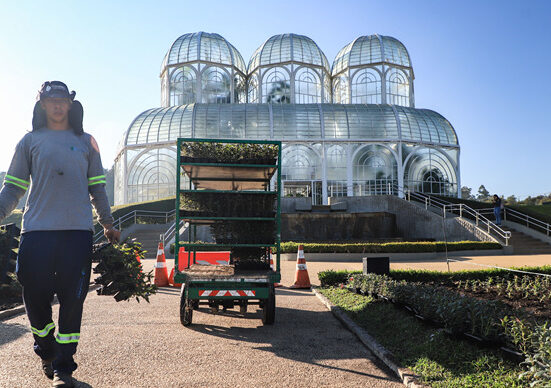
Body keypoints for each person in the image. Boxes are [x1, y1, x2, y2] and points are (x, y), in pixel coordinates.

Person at [0, 81, 120, 387]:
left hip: (77, 233)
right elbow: (13, 187)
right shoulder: (29, 141)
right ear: (42, 105)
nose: (57, 105)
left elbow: (98, 188)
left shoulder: (87, 142)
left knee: (72, 299)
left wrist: (107, 223)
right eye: (51, 100)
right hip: (37, 232)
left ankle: (64, 368)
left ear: (70, 104)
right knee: (34, 294)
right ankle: (46, 349)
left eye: (62, 100)